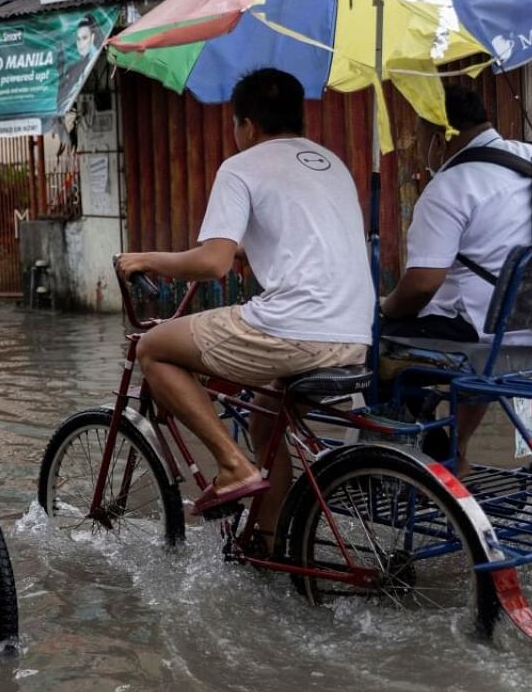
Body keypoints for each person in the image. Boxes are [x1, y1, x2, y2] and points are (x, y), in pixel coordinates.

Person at [116, 68, 373, 538]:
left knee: (154, 347)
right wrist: (247, 251)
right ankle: (269, 541)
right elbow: (305, 244)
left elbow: (212, 263)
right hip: (353, 333)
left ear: (247, 125)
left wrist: (148, 259)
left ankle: (232, 466)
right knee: (262, 413)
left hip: (295, 331)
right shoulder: (331, 162)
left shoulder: (242, 166)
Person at [381, 85, 532, 477]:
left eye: (421, 134)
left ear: (442, 135)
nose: (419, 146)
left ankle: (410, 450)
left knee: (378, 338)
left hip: (497, 338)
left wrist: (384, 308)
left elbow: (421, 286)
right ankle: (459, 445)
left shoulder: (450, 186)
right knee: (470, 320)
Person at [56, 16, 102, 111]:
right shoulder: (73, 69)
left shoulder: (92, 59)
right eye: (78, 39)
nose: (81, 43)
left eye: (84, 38)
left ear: (92, 38)